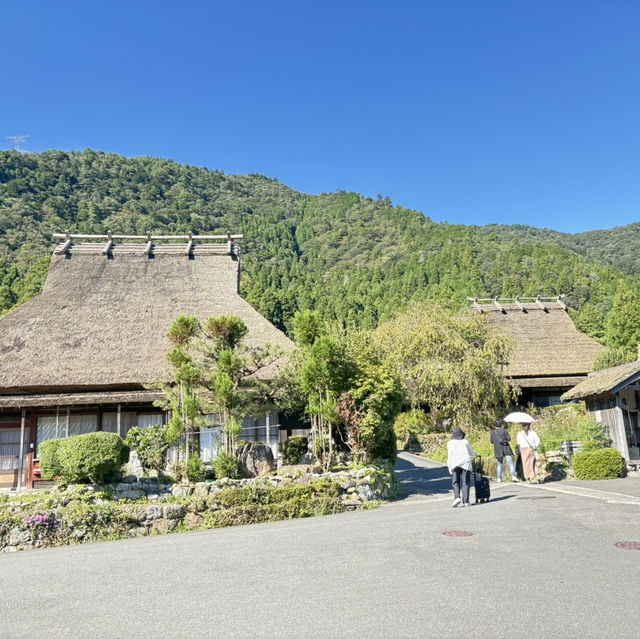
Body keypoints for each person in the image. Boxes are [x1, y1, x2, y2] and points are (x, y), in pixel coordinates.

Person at [447, 427, 477, 507]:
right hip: (465, 463)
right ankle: (466, 501)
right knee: (466, 483)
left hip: (455, 464)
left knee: (455, 482)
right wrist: (475, 456)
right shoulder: (465, 442)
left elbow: (450, 456)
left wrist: (449, 468)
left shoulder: (450, 443)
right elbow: (471, 452)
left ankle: (457, 497)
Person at [490, 418, 519, 483]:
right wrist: (505, 441)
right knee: (510, 463)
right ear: (501, 424)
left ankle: (499, 478)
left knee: (499, 463)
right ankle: (513, 476)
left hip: (498, 449)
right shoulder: (505, 431)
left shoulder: (493, 432)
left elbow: (491, 441)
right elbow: (509, 439)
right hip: (506, 448)